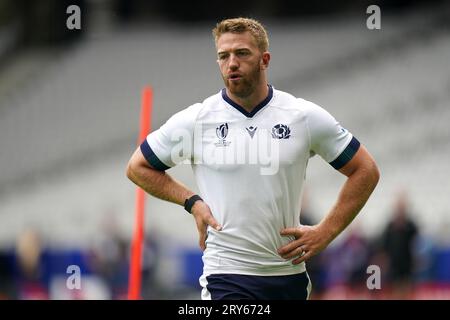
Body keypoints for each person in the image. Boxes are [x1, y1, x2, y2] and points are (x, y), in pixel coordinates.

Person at [126, 17, 380, 300]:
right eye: (223, 56)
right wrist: (192, 202)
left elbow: (365, 170)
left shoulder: (302, 116)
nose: (231, 63)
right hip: (226, 275)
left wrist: (326, 232)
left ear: (265, 59)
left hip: (288, 276)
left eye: (242, 53)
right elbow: (138, 166)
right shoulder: (197, 120)